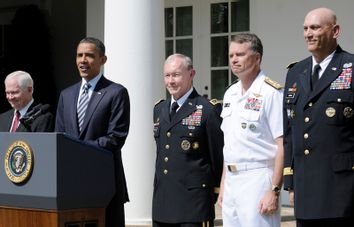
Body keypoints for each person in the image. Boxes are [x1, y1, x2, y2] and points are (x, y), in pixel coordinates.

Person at [283, 7, 354, 227]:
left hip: (343, 189)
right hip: (306, 189)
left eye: (315, 27)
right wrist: (290, 181)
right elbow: (290, 132)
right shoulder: (296, 72)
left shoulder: (350, 67)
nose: (308, 34)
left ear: (335, 31)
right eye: (305, 28)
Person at [55, 37, 130, 227]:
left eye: (89, 55)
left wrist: (78, 149)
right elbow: (59, 137)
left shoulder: (116, 92)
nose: (83, 60)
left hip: (104, 185)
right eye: (79, 55)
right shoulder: (66, 95)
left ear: (102, 60)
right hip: (70, 186)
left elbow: (116, 138)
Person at [218, 33, 284, 227]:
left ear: (257, 58)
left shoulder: (271, 93)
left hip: (258, 178)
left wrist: (274, 189)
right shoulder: (230, 93)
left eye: (240, 54)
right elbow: (229, 143)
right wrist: (223, 184)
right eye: (231, 55)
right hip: (232, 180)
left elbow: (282, 144)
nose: (234, 60)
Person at [152, 53, 224, 227]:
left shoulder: (207, 110)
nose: (171, 81)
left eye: (176, 75)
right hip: (163, 202)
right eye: (167, 75)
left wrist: (214, 192)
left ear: (191, 74)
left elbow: (217, 157)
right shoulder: (159, 109)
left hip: (194, 204)